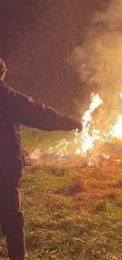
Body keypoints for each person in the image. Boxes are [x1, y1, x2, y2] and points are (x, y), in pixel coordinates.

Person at [0, 58, 82, 260]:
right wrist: (70, 123)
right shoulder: (7, 98)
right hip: (5, 168)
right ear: (2, 73)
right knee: (12, 216)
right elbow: (40, 114)